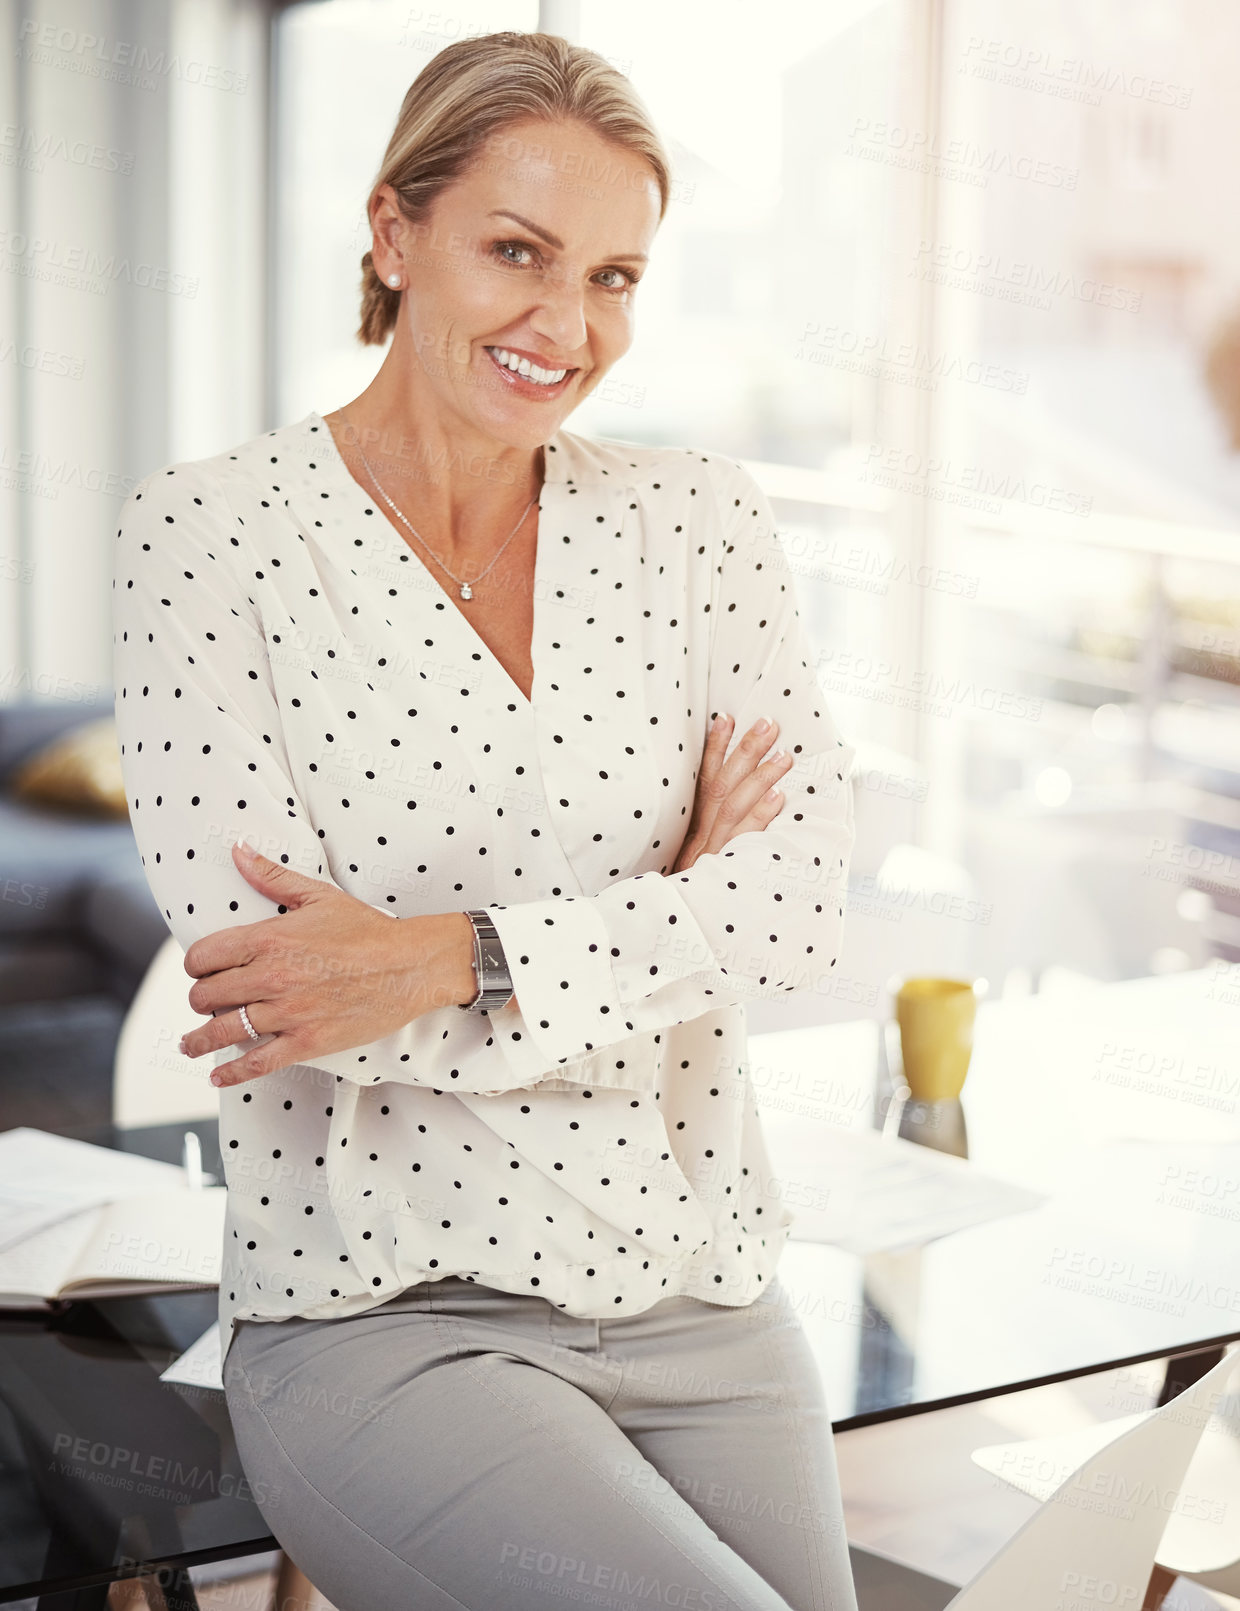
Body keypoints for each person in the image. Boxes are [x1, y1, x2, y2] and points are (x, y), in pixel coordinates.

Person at [112, 30, 858, 1611]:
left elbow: (800, 912)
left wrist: (455, 957)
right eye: (515, 253)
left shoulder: (696, 519)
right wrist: (670, 903)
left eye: (614, 276)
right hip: (387, 1313)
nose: (565, 324)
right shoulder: (209, 539)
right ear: (394, 234)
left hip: (700, 1280)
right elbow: (297, 1002)